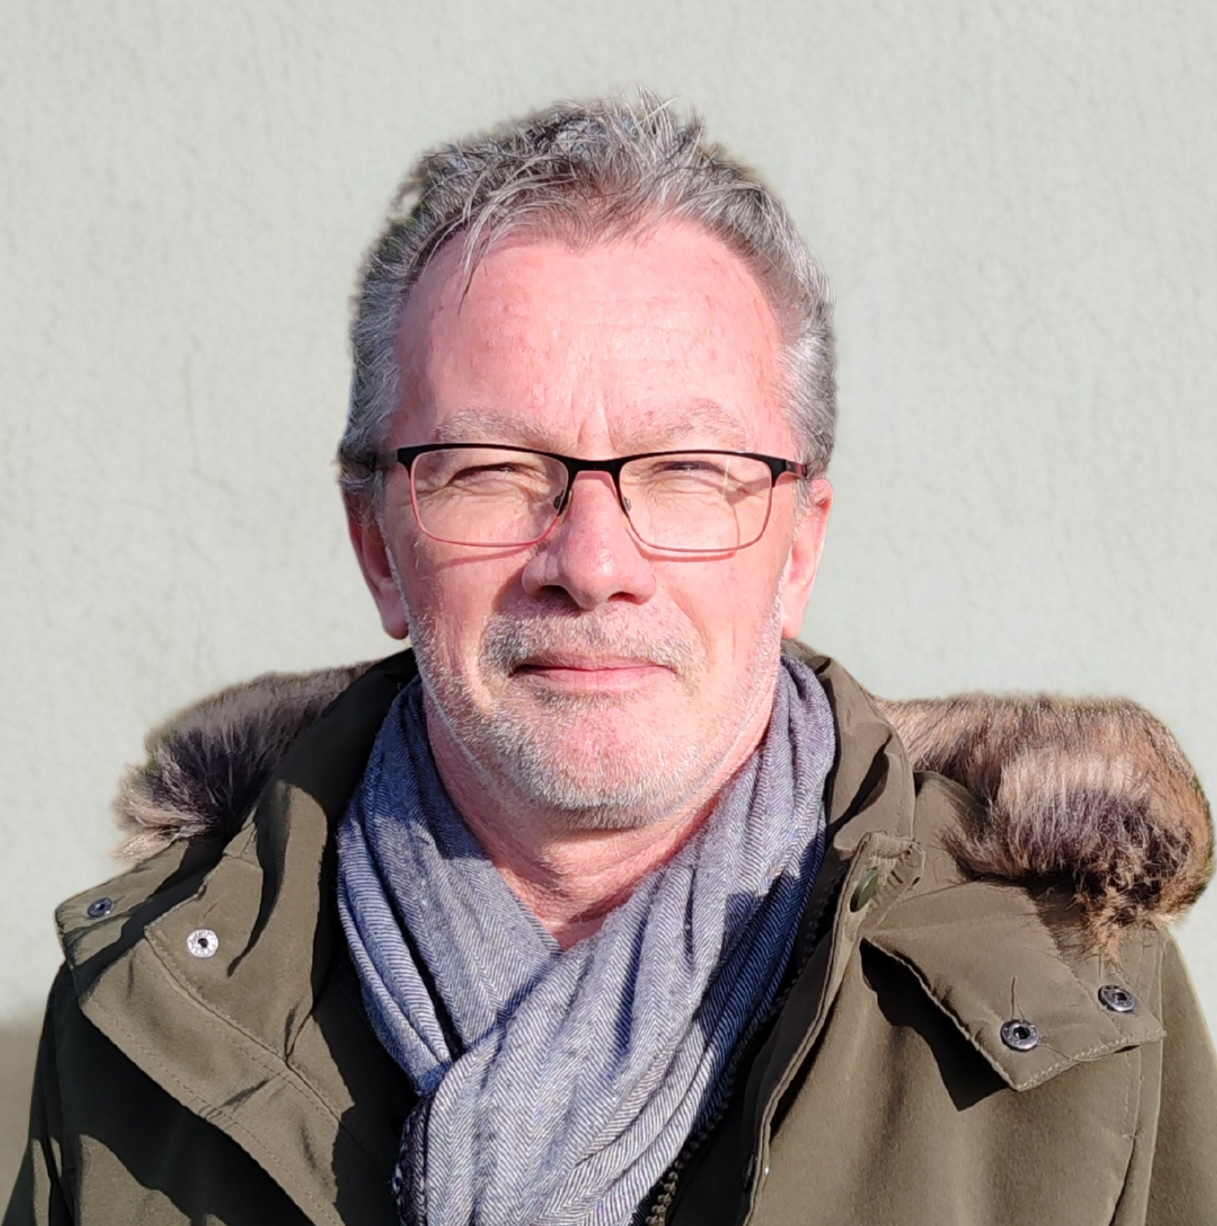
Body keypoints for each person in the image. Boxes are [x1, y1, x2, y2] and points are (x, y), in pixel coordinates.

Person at [6, 93, 1216, 1226]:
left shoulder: (1080, 1015)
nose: (590, 562)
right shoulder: (142, 1019)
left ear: (797, 545)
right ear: (377, 545)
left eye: (688, 469)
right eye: (491, 468)